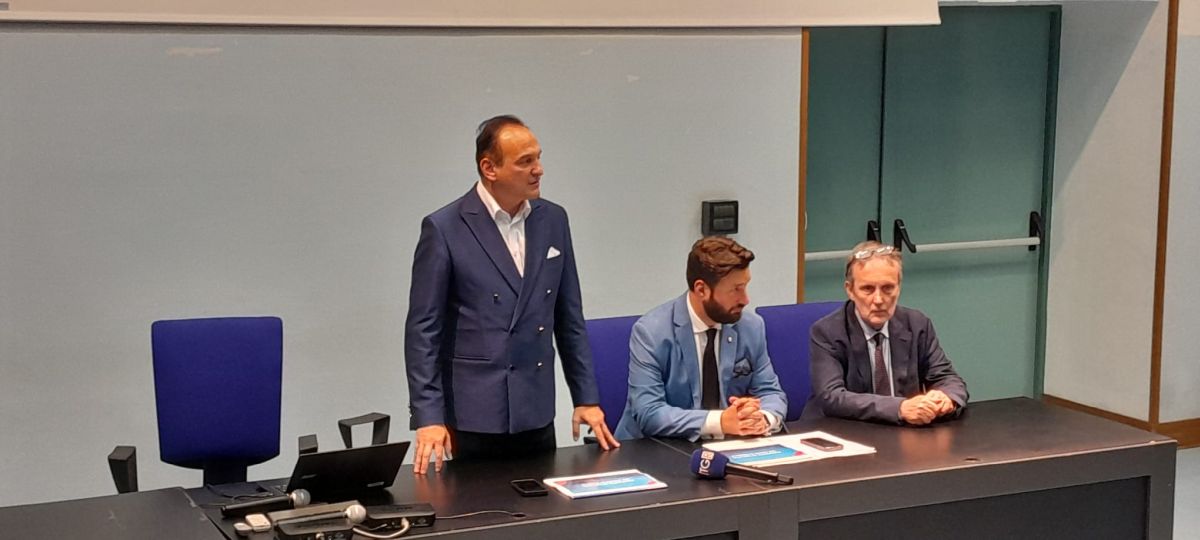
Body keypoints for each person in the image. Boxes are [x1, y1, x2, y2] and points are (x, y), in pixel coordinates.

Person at [404, 115, 618, 474]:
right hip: (473, 414)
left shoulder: (553, 219)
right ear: (490, 168)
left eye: (538, 158)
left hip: (535, 407)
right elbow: (423, 332)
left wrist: (586, 398)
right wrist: (428, 416)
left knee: (543, 503)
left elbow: (569, 318)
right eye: (525, 161)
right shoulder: (445, 228)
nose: (539, 170)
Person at [615, 237, 787, 441]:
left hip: (728, 445)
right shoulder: (651, 332)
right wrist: (720, 421)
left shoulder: (751, 326)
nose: (745, 299)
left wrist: (762, 418)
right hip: (656, 447)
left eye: (745, 286)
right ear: (701, 290)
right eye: (736, 289)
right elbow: (650, 413)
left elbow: (770, 392)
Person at [803, 240, 968, 425]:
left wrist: (946, 397)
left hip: (904, 433)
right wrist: (899, 408)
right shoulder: (827, 332)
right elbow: (831, 397)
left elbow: (947, 378)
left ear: (899, 287)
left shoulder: (916, 324)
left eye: (888, 288)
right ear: (850, 290)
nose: (879, 299)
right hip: (843, 430)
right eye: (868, 289)